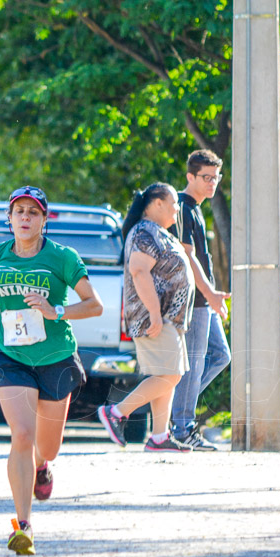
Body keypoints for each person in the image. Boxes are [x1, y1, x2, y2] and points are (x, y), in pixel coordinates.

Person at [0, 186, 103, 555]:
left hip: (56, 359)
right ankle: (22, 524)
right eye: (19, 212)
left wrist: (55, 310)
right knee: (22, 435)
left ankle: (42, 466)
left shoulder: (62, 257)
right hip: (12, 357)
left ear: (44, 220)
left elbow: (94, 305)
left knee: (47, 447)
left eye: (33, 212)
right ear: (9, 219)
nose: (25, 218)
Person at [97, 183, 195, 453]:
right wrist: (153, 313)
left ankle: (159, 437)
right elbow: (139, 272)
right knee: (171, 374)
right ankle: (116, 413)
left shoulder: (158, 232)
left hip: (168, 319)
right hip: (155, 317)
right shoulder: (143, 231)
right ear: (157, 203)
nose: (178, 209)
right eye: (174, 203)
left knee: (168, 374)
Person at [169, 150, 232, 450]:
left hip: (205, 300)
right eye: (206, 177)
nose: (212, 183)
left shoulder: (197, 208)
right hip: (193, 300)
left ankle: (174, 407)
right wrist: (211, 293)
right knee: (193, 365)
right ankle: (182, 428)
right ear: (190, 176)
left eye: (216, 178)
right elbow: (186, 255)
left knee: (221, 356)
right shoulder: (181, 206)